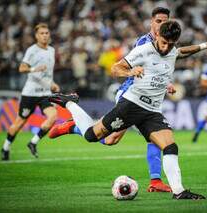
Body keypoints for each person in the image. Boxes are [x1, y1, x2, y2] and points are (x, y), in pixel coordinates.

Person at [48, 21, 207, 199]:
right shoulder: (144, 50)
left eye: (170, 44)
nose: (166, 48)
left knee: (170, 146)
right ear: (157, 36)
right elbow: (116, 68)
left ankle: (179, 191)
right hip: (132, 106)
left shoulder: (171, 50)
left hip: (152, 111)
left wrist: (204, 46)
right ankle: (69, 103)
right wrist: (130, 72)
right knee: (93, 136)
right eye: (163, 42)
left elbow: (182, 52)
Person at [49, 7, 175, 192]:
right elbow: (131, 68)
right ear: (151, 22)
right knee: (111, 139)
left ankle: (155, 181)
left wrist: (166, 83)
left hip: (146, 98)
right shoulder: (145, 43)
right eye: (158, 21)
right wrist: (133, 72)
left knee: (150, 137)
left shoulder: (166, 44)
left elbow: (157, 70)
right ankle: (74, 127)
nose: (161, 24)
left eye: (165, 21)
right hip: (130, 94)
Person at [1, 23, 60, 161]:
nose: (45, 35)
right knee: (19, 124)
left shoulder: (51, 50)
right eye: (42, 33)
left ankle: (33, 142)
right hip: (30, 94)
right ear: (36, 36)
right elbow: (22, 68)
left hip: (45, 93)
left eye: (46, 33)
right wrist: (34, 69)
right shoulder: (32, 50)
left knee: (53, 117)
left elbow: (47, 74)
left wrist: (52, 84)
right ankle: (5, 147)